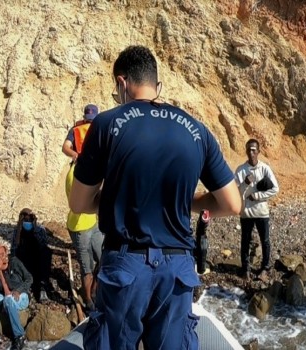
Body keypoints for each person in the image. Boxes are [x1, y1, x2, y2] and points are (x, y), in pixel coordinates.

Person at [69, 45, 241, 350]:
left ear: (122, 84)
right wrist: (190, 203)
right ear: (157, 85)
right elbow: (231, 204)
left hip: (126, 264)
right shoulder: (197, 131)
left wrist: (112, 201)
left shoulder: (107, 124)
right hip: (177, 269)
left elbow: (79, 203)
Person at [62, 106, 104, 310]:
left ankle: (97, 292)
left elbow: (65, 147)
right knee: (86, 268)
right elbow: (81, 203)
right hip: (79, 227)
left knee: (103, 257)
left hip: (93, 224)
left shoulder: (81, 132)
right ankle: (88, 302)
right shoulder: (76, 175)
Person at [234, 139, 279, 280]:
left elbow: (275, 189)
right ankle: (246, 269)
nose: (251, 152)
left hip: (261, 212)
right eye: (248, 149)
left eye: (254, 150)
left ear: (258, 152)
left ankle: (265, 268)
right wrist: (245, 183)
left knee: (265, 240)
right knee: (245, 241)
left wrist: (257, 196)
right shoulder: (241, 170)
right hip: (246, 212)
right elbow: (234, 192)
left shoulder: (265, 168)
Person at [0, 244, 32, 350]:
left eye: (5, 253)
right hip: (5, 297)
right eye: (1, 255)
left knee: (8, 299)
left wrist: (19, 290)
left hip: (21, 296)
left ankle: (19, 336)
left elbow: (29, 278)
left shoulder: (14, 262)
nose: (5, 257)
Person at [11, 208, 51, 302]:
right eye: (25, 220)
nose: (27, 222)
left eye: (30, 219)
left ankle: (42, 287)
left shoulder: (40, 229)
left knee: (46, 252)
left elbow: (44, 244)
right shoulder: (17, 231)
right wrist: (20, 227)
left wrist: (35, 228)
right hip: (24, 260)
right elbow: (14, 248)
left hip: (37, 259)